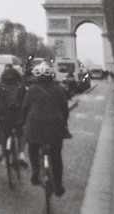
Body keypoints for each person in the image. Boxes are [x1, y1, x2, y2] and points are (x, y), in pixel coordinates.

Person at [20, 61, 69, 196]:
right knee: (56, 156)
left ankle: (35, 173)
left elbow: (24, 109)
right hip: (55, 126)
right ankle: (58, 185)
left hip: (35, 126)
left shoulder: (31, 90)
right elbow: (65, 109)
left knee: (33, 148)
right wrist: (64, 123)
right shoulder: (58, 90)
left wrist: (24, 123)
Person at [0, 65, 28, 165]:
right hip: (18, 116)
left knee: (4, 134)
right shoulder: (21, 86)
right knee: (20, 133)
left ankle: (4, 157)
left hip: (4, 116)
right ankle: (21, 153)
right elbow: (25, 102)